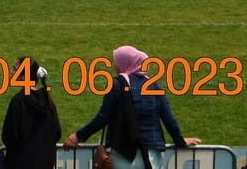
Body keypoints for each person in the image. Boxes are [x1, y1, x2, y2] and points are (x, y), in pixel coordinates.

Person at [63, 46, 199, 169]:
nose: (115, 66)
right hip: (152, 155)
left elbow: (102, 118)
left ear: (125, 63)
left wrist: (78, 136)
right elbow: (169, 118)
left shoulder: (117, 85)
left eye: (117, 62)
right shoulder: (154, 86)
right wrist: (180, 141)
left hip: (123, 154)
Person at [0, 58, 61, 169]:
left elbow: (8, 136)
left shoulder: (18, 101)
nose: (12, 72)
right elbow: (57, 133)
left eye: (15, 69)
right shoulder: (48, 101)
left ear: (24, 77)